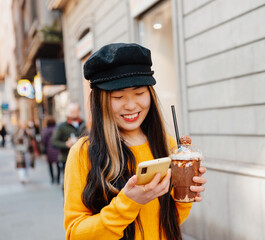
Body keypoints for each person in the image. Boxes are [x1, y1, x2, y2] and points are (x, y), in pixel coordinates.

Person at [64, 43, 207, 240]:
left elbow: (169, 223)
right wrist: (128, 203)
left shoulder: (166, 143)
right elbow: (75, 234)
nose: (131, 105)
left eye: (139, 93)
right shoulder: (83, 152)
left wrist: (183, 196)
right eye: (118, 96)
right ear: (100, 101)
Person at [51, 103, 87, 182]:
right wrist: (66, 144)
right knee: (69, 182)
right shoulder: (62, 126)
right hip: (66, 159)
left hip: (83, 158)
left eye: (75, 111)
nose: (73, 113)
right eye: (71, 111)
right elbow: (54, 142)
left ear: (79, 111)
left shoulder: (85, 124)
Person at [42, 116, 60, 184]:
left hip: (49, 150)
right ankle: (58, 179)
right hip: (57, 149)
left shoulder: (45, 131)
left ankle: (52, 178)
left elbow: (43, 141)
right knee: (58, 164)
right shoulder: (57, 129)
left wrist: (44, 151)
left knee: (50, 165)